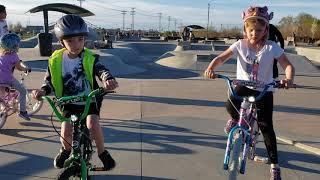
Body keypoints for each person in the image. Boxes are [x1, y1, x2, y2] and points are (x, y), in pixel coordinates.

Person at [204, 6, 295, 180]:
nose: (254, 33)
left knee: (266, 125)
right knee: (230, 102)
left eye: (259, 30)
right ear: (245, 29)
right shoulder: (240, 44)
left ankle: (275, 165)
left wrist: (288, 79)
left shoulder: (271, 47)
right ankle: (234, 119)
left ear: (265, 30)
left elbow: (287, 65)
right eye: (251, 30)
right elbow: (221, 57)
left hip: (264, 89)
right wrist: (210, 68)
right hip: (243, 85)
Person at [32, 14, 118, 170]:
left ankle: (102, 152)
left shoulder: (90, 57)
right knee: (66, 130)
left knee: (92, 124)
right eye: (70, 40)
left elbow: (101, 70)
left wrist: (108, 79)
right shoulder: (55, 60)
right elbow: (49, 82)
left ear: (84, 39)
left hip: (89, 100)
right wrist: (43, 91)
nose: (76, 44)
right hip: (67, 101)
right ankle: (65, 150)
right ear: (61, 42)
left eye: (80, 39)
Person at [0, 33, 31, 120]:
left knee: (2, 95)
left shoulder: (1, 53)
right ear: (13, 46)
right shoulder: (14, 56)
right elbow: (19, 67)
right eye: (17, 45)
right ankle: (22, 112)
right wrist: (26, 69)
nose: (18, 47)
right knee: (23, 91)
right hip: (7, 79)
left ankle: (4, 105)